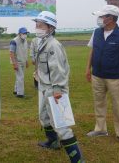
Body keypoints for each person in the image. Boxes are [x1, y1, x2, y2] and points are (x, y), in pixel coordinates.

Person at [33, 11, 84, 163]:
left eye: (40, 25)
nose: (37, 27)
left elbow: (59, 71)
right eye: (36, 24)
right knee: (44, 117)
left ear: (50, 28)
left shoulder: (53, 45)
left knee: (61, 125)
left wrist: (57, 91)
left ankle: (77, 159)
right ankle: (53, 142)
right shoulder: (41, 42)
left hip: (55, 90)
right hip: (45, 87)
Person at [85, 5, 119, 145]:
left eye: (102, 16)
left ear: (111, 18)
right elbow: (92, 51)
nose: (100, 19)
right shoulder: (96, 32)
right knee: (99, 103)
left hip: (115, 77)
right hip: (97, 75)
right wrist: (88, 69)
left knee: (118, 105)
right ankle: (100, 129)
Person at [10, 27, 29, 98]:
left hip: (23, 61)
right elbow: (11, 53)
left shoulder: (25, 40)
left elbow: (25, 51)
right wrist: (14, 64)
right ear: (19, 34)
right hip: (17, 62)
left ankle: (16, 90)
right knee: (20, 77)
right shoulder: (14, 41)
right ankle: (20, 94)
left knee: (19, 77)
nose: (25, 34)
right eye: (23, 33)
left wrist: (26, 61)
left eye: (26, 33)